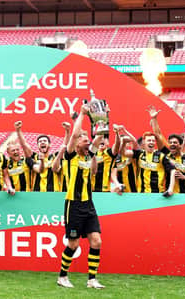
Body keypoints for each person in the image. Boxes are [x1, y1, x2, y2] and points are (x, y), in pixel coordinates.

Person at [57, 104, 105, 289]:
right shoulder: (70, 157)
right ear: (76, 143)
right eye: (83, 138)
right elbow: (75, 134)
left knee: (97, 241)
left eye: (87, 138)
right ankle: (62, 276)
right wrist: (83, 114)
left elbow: (100, 136)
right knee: (73, 244)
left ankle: (92, 279)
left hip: (89, 204)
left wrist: (103, 117)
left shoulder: (88, 157)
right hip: (73, 205)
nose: (86, 140)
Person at [148, 107, 185, 194]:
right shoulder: (166, 155)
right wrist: (154, 119)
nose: (172, 144)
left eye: (175, 142)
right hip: (167, 194)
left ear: (180, 145)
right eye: (170, 142)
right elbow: (158, 135)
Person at [14, 121, 67, 192]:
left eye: (45, 141)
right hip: (37, 193)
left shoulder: (55, 156)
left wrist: (67, 131)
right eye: (40, 141)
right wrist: (18, 130)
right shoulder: (34, 157)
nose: (42, 142)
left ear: (50, 144)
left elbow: (65, 145)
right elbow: (24, 145)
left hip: (54, 193)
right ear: (38, 145)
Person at [110, 125, 139, 193]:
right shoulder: (115, 157)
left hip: (135, 190)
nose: (121, 143)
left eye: (124, 141)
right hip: (122, 191)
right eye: (120, 141)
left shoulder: (131, 154)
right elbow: (113, 174)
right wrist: (117, 184)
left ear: (128, 144)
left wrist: (125, 130)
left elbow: (135, 143)